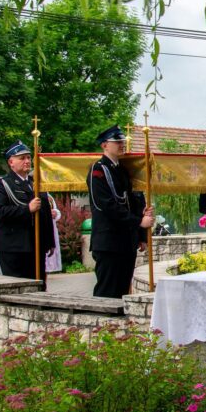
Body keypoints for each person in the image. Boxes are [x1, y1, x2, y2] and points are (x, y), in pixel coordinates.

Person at [87, 125, 154, 298]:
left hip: (126, 241)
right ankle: (103, 325)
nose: (121, 144)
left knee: (123, 290)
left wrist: (140, 234)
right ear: (104, 145)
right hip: (108, 242)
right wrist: (138, 222)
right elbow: (106, 205)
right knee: (107, 291)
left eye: (122, 141)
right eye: (116, 141)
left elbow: (133, 201)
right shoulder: (98, 170)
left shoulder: (121, 170)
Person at [0, 141, 55, 284]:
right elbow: (0, 211)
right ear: (11, 162)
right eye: (22, 158)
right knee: (18, 288)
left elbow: (45, 214)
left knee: (38, 285)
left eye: (28, 157)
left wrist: (49, 240)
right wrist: (27, 209)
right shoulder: (3, 184)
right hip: (13, 245)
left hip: (36, 244)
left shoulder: (37, 183)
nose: (27, 161)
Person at [45, 194, 63, 273]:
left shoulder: (49, 196)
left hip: (50, 225)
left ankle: (50, 268)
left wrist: (55, 213)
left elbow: (55, 210)